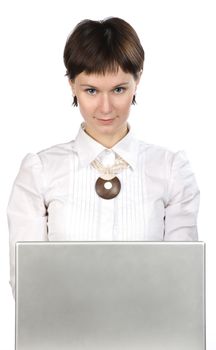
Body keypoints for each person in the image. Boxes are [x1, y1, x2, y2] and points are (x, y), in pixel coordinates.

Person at [7, 17, 200, 297]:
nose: (106, 107)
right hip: (62, 336)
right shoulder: (40, 171)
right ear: (72, 84)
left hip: (149, 337)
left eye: (119, 89)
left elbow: (181, 281)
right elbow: (27, 284)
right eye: (91, 91)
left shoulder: (171, 170)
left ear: (138, 81)